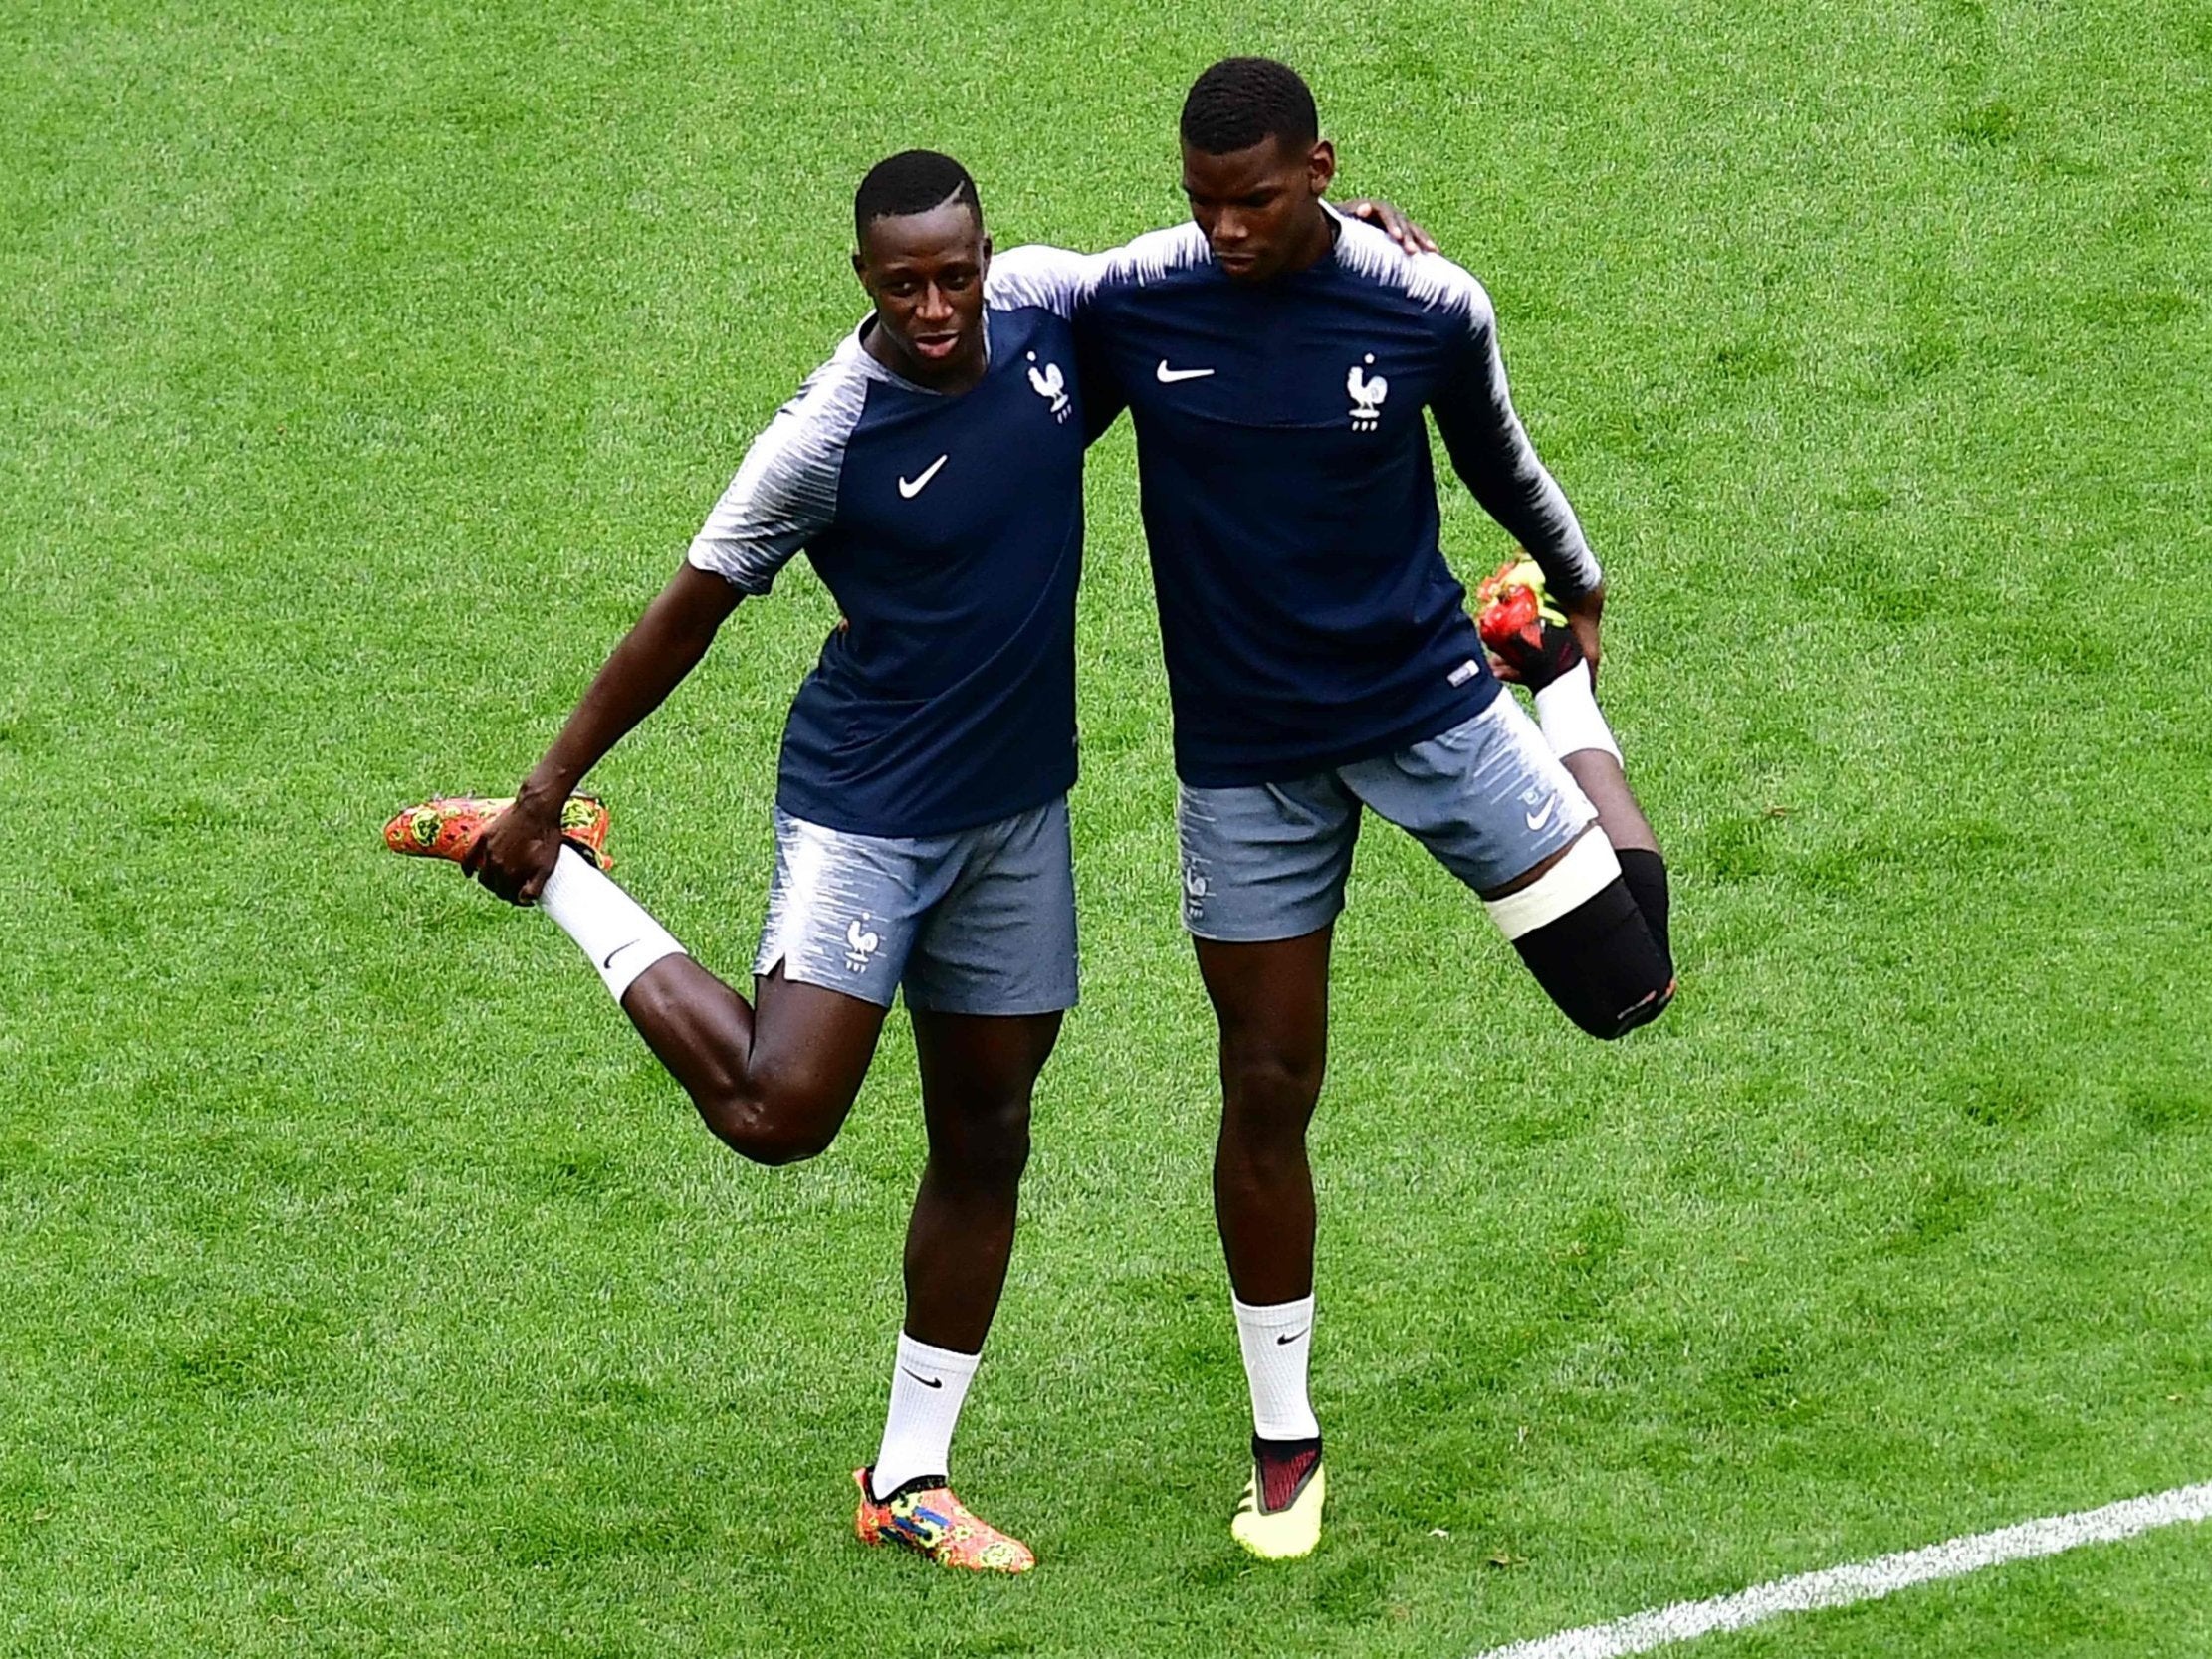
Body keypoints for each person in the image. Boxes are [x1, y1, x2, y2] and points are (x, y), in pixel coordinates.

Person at [382, 150, 1113, 1573]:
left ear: (984, 254)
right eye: (901, 283)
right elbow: (685, 613)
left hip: (1018, 814)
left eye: (952, 274)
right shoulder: (824, 437)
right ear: (861, 278)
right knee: (780, 1112)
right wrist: (546, 795)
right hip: (867, 811)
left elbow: (1199, 271)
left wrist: (1349, 236)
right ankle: (561, 876)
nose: (934, 306)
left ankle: (908, 1478)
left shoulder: (1045, 308)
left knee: (989, 1135)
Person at [1016, 58, 1678, 1558]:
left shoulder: (1425, 304)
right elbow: (989, 323)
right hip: (1244, 760)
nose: (1225, 230)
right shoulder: (1140, 296)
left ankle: (1560, 710)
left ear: (1319, 167)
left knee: (1628, 988)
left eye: (1251, 198)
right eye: (1200, 201)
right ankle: (1282, 1441)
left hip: (1434, 713)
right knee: (1265, 1083)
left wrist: (1572, 602)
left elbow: (1502, 456)